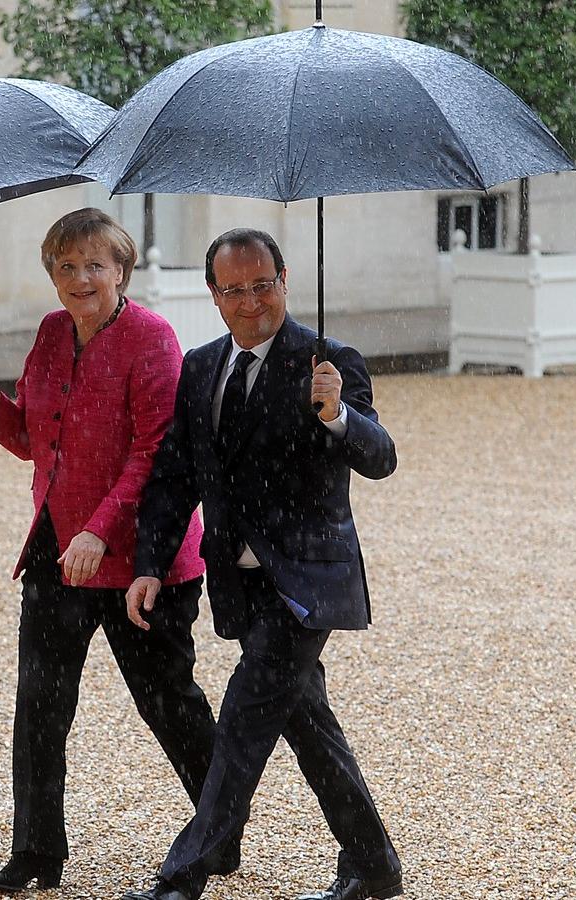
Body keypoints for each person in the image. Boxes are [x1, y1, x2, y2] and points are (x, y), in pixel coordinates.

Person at [0, 208, 236, 893]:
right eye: (65, 266)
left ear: (122, 270)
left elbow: (156, 454)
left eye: (94, 265)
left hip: (146, 559)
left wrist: (101, 527)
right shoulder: (52, 334)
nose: (80, 278)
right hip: (56, 551)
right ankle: (36, 852)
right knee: (41, 706)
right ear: (51, 275)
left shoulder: (152, 339)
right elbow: (36, 440)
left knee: (168, 702)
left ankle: (220, 827)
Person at [121, 228, 403, 900]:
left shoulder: (330, 362)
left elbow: (381, 457)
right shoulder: (200, 367)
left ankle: (185, 875)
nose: (251, 301)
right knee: (306, 723)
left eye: (262, 284)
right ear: (213, 295)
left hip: (307, 581)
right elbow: (174, 475)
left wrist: (338, 414)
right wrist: (150, 563)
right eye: (234, 289)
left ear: (284, 280)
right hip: (240, 583)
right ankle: (372, 863)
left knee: (245, 720)